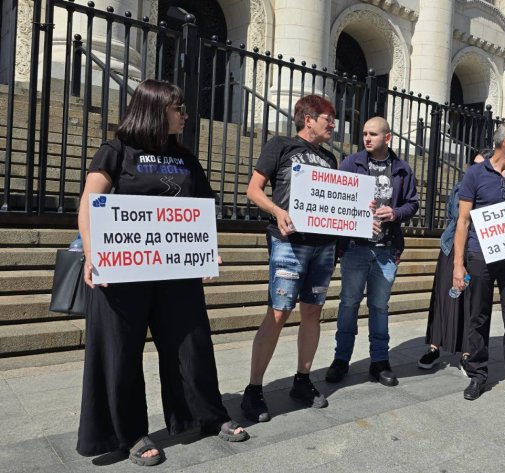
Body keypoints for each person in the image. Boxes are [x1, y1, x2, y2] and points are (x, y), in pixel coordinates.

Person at [76, 79, 247, 466]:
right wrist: (91, 253)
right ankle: (130, 434)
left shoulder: (185, 156)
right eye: (178, 108)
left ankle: (207, 414)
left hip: (176, 271)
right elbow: (90, 202)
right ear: (155, 110)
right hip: (120, 272)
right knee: (119, 353)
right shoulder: (116, 151)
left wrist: (206, 251)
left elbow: (201, 208)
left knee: (192, 345)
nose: (185, 114)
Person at [240, 95, 339, 422]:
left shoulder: (331, 159)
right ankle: (254, 389)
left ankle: (302, 380)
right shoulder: (281, 145)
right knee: (279, 312)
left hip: (323, 245)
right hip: (288, 240)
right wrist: (277, 210)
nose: (333, 124)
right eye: (328, 118)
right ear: (309, 119)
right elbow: (254, 189)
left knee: (312, 311)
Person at [324, 117, 419, 386]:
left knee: (379, 306)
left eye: (373, 134)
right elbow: (334, 196)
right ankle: (341, 359)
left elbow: (412, 204)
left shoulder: (401, 169)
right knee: (348, 304)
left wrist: (396, 212)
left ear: (387, 138)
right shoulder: (350, 163)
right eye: (364, 133)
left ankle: (379, 362)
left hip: (386, 250)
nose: (367, 138)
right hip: (355, 248)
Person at [452, 122, 505, 414]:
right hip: (479, 255)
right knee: (477, 317)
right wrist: (458, 265)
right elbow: (463, 221)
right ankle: (477, 374)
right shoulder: (474, 174)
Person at [418, 149, 489, 372]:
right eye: (473, 165)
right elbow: (455, 217)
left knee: (471, 300)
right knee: (444, 296)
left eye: (482, 166)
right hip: (452, 246)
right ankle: (434, 346)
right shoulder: (460, 187)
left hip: (478, 249)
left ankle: (468, 351)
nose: (475, 170)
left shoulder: (492, 192)